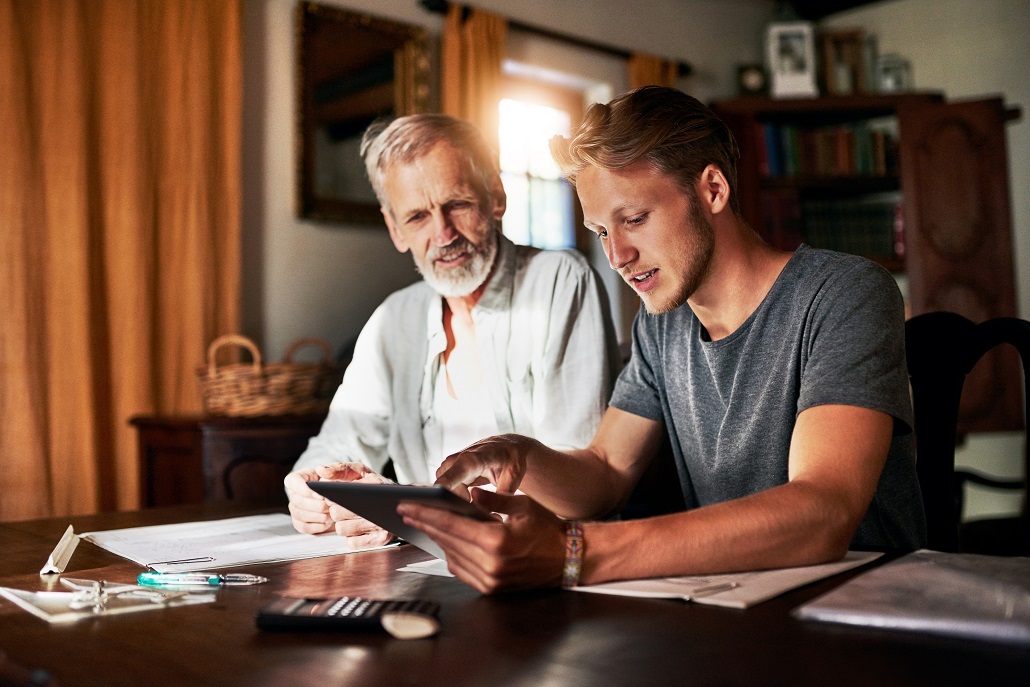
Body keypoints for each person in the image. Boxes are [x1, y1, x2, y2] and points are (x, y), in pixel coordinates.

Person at [398, 86, 926, 593]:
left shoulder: (845, 293)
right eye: (602, 231)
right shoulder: (661, 324)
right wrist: (516, 453)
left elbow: (822, 511)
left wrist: (574, 551)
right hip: (737, 610)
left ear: (712, 190)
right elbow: (604, 471)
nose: (616, 256)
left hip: (862, 613)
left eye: (635, 219)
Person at [285, 113, 620, 548]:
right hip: (428, 568)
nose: (443, 234)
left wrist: (410, 510)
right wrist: (311, 490)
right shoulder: (393, 319)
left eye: (457, 204)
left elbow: (579, 491)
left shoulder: (560, 281)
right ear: (395, 229)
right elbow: (335, 447)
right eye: (418, 216)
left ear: (496, 197)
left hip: (546, 564)